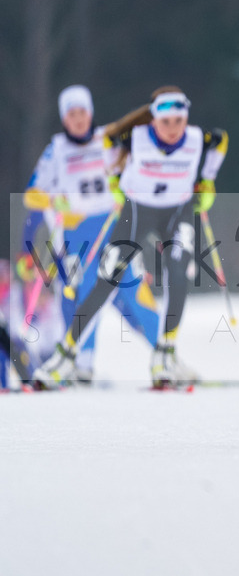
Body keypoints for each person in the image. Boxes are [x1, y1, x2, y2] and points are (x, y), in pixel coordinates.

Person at [33, 87, 228, 388]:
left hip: (173, 213)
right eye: (166, 122)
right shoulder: (124, 139)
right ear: (153, 121)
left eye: (179, 121)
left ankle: (166, 353)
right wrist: (108, 182)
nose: (173, 129)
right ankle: (69, 355)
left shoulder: (193, 138)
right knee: (102, 282)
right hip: (125, 215)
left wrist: (208, 181)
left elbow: (220, 141)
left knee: (172, 276)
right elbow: (106, 147)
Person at [16, 85, 160, 384]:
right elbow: (32, 196)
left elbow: (142, 135)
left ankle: (164, 351)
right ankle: (82, 364)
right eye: (71, 114)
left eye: (82, 112)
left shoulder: (108, 138)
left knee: (133, 288)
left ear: (90, 112)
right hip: (76, 232)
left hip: (113, 225)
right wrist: (54, 201)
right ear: (64, 119)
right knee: (86, 294)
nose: (78, 119)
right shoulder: (56, 149)